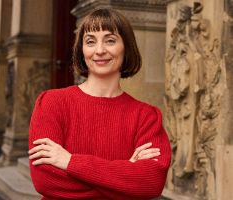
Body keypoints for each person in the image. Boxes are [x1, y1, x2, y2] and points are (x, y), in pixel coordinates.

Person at [28, 8, 171, 200]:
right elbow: (45, 181)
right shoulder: (52, 103)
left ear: (126, 47)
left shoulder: (146, 116)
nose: (100, 50)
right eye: (90, 42)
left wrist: (70, 162)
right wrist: (124, 178)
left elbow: (152, 183)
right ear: (82, 50)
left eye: (110, 40)